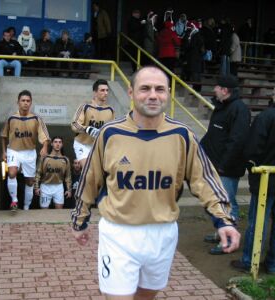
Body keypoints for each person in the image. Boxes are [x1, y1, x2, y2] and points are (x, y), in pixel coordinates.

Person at [71, 65, 240, 299]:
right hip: (119, 233)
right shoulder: (110, 134)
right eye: (145, 88)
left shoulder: (182, 135)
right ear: (131, 93)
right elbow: (90, 180)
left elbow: (205, 180)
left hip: (163, 233)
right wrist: (79, 220)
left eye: (160, 89)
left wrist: (224, 221)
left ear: (168, 93)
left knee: (147, 295)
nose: (153, 95)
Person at [200, 74, 250, 254]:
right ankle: (220, 232)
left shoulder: (239, 109)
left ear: (225, 90)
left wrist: (223, 165)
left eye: (217, 87)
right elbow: (213, 135)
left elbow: (237, 140)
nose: (214, 90)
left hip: (227, 168)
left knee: (228, 203)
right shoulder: (221, 108)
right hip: (215, 166)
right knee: (218, 202)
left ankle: (228, 241)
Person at [231, 91, 275, 274]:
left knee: (258, 221)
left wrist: (252, 167)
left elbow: (252, 148)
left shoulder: (266, 117)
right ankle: (272, 264)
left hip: (266, 179)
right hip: (268, 176)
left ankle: (250, 260)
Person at [0, 90, 50, 211]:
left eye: (28, 101)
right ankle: (14, 200)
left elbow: (45, 137)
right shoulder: (11, 118)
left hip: (29, 152)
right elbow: (3, 135)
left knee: (30, 181)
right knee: (11, 173)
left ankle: (26, 206)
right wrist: (3, 151)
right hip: (13, 150)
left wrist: (44, 147)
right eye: (23, 100)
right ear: (18, 102)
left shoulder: (36, 119)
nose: (25, 103)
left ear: (31, 103)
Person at [71, 79, 114, 168]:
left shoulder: (110, 110)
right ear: (95, 93)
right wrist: (87, 129)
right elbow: (74, 124)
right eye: (102, 90)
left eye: (107, 90)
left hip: (99, 146)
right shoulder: (85, 107)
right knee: (88, 170)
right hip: (83, 144)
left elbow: (112, 130)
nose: (106, 93)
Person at [34, 136, 72, 209]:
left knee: (59, 211)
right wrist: (36, 187)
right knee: (44, 211)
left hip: (59, 187)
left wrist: (69, 190)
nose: (57, 144)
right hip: (45, 187)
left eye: (60, 142)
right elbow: (38, 173)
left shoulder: (65, 159)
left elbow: (68, 176)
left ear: (62, 144)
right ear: (51, 144)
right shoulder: (44, 158)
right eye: (55, 142)